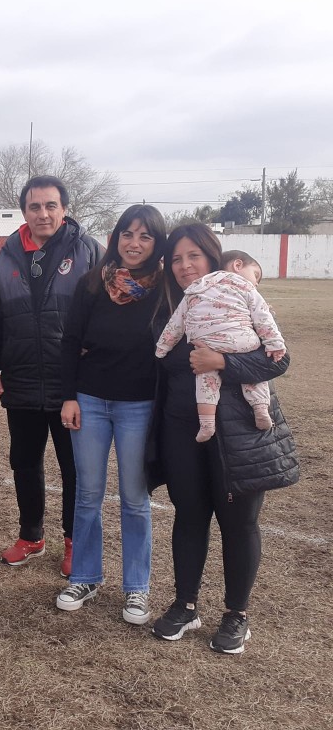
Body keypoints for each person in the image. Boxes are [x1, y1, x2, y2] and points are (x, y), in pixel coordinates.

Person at [149, 231, 297, 654]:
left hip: (239, 432)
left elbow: (279, 358)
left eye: (193, 255)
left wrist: (223, 362)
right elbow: (158, 361)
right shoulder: (173, 308)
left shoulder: (239, 296)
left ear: (212, 256)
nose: (184, 265)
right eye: (175, 258)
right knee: (189, 515)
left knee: (239, 523)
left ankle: (237, 614)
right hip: (183, 430)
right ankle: (185, 605)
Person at [0, 176, 103, 575]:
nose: (43, 213)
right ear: (24, 212)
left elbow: (108, 312)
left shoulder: (88, 251)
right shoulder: (7, 255)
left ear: (63, 209)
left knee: (73, 468)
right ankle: (31, 536)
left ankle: (73, 541)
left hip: (73, 384)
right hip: (22, 378)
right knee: (25, 461)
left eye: (51, 205)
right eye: (35, 207)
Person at [53, 205, 167, 624]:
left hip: (139, 406)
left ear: (157, 244)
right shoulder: (91, 285)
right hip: (89, 402)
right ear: (116, 237)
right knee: (88, 494)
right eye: (127, 234)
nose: (134, 244)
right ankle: (84, 576)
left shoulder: (165, 289)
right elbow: (70, 342)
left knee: (135, 500)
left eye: (145, 236)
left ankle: (136, 588)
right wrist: (69, 397)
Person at [155, 251, 285, 442]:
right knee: (252, 373)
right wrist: (274, 343)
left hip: (207, 342)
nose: (256, 283)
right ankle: (260, 408)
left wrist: (162, 347)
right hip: (244, 341)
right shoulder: (246, 288)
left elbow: (176, 323)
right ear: (237, 265)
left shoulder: (195, 288)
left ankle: (206, 424)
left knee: (206, 380)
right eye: (256, 275)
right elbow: (263, 318)